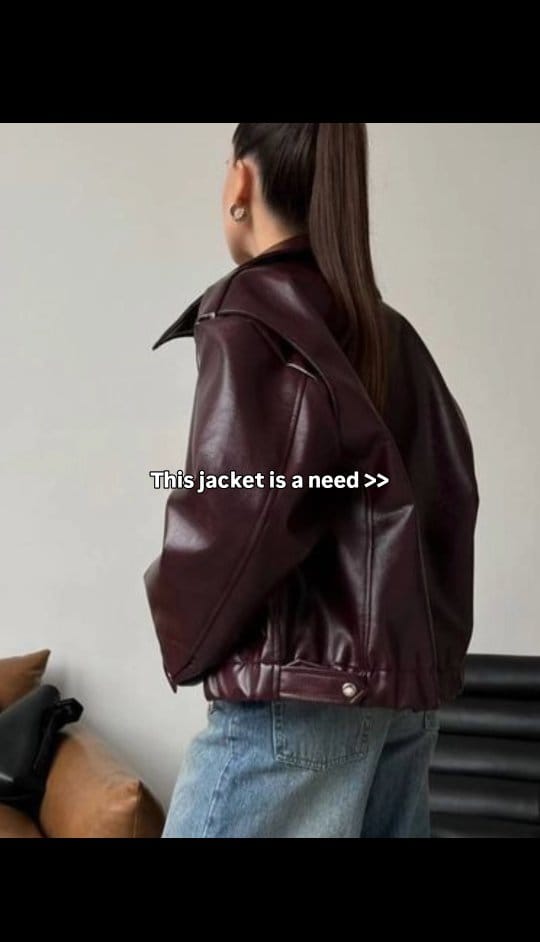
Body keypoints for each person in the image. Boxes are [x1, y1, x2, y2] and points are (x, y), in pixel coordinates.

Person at [144, 123, 480, 838]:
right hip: (398, 706)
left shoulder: (255, 310)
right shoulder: (388, 331)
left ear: (241, 180)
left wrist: (183, 639)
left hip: (297, 704)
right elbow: (449, 497)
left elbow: (239, 506)